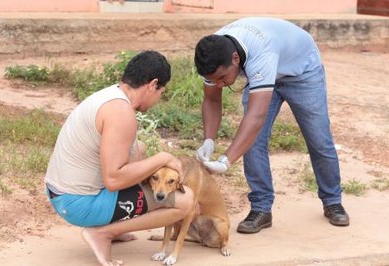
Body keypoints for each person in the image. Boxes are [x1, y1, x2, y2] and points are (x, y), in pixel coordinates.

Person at [194, 17, 350, 234]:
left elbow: (256, 117)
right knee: (254, 143)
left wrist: (225, 161)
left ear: (235, 58)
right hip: (264, 73)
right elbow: (211, 100)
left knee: (318, 139)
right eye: (214, 80)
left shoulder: (260, 50)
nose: (219, 84)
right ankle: (261, 209)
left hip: (302, 71)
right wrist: (209, 140)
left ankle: (332, 201)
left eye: (222, 78)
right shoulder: (212, 53)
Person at [45, 51, 194, 266]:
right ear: (152, 84)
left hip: (61, 191)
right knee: (185, 200)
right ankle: (103, 233)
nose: (158, 99)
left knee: (139, 149)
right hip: (77, 203)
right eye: (161, 92)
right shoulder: (121, 112)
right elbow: (114, 180)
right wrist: (163, 157)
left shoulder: (111, 95)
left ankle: (115, 226)